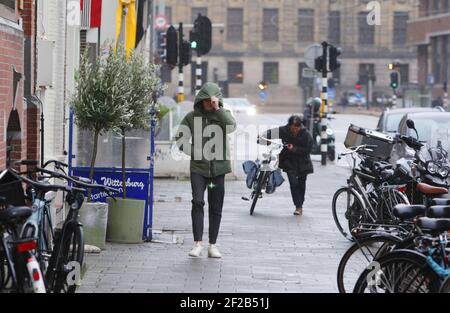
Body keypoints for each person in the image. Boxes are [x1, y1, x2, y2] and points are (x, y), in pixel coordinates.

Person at [176, 83, 236, 258]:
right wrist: (196, 153)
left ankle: (213, 245)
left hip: (219, 170)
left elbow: (232, 127)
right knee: (197, 202)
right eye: (207, 101)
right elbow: (181, 139)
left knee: (216, 207)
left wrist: (218, 109)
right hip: (199, 169)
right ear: (201, 101)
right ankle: (197, 244)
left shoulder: (223, 116)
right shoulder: (191, 117)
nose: (210, 104)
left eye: (213, 101)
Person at [258, 115, 314, 216]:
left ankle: (300, 205)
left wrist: (294, 148)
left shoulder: (306, 134)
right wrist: (263, 136)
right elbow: (272, 132)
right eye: (293, 128)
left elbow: (309, 149)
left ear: (300, 126)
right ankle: (298, 206)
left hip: (303, 162)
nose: (295, 130)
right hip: (289, 161)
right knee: (293, 183)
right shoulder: (284, 130)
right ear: (289, 126)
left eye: (297, 128)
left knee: (301, 184)